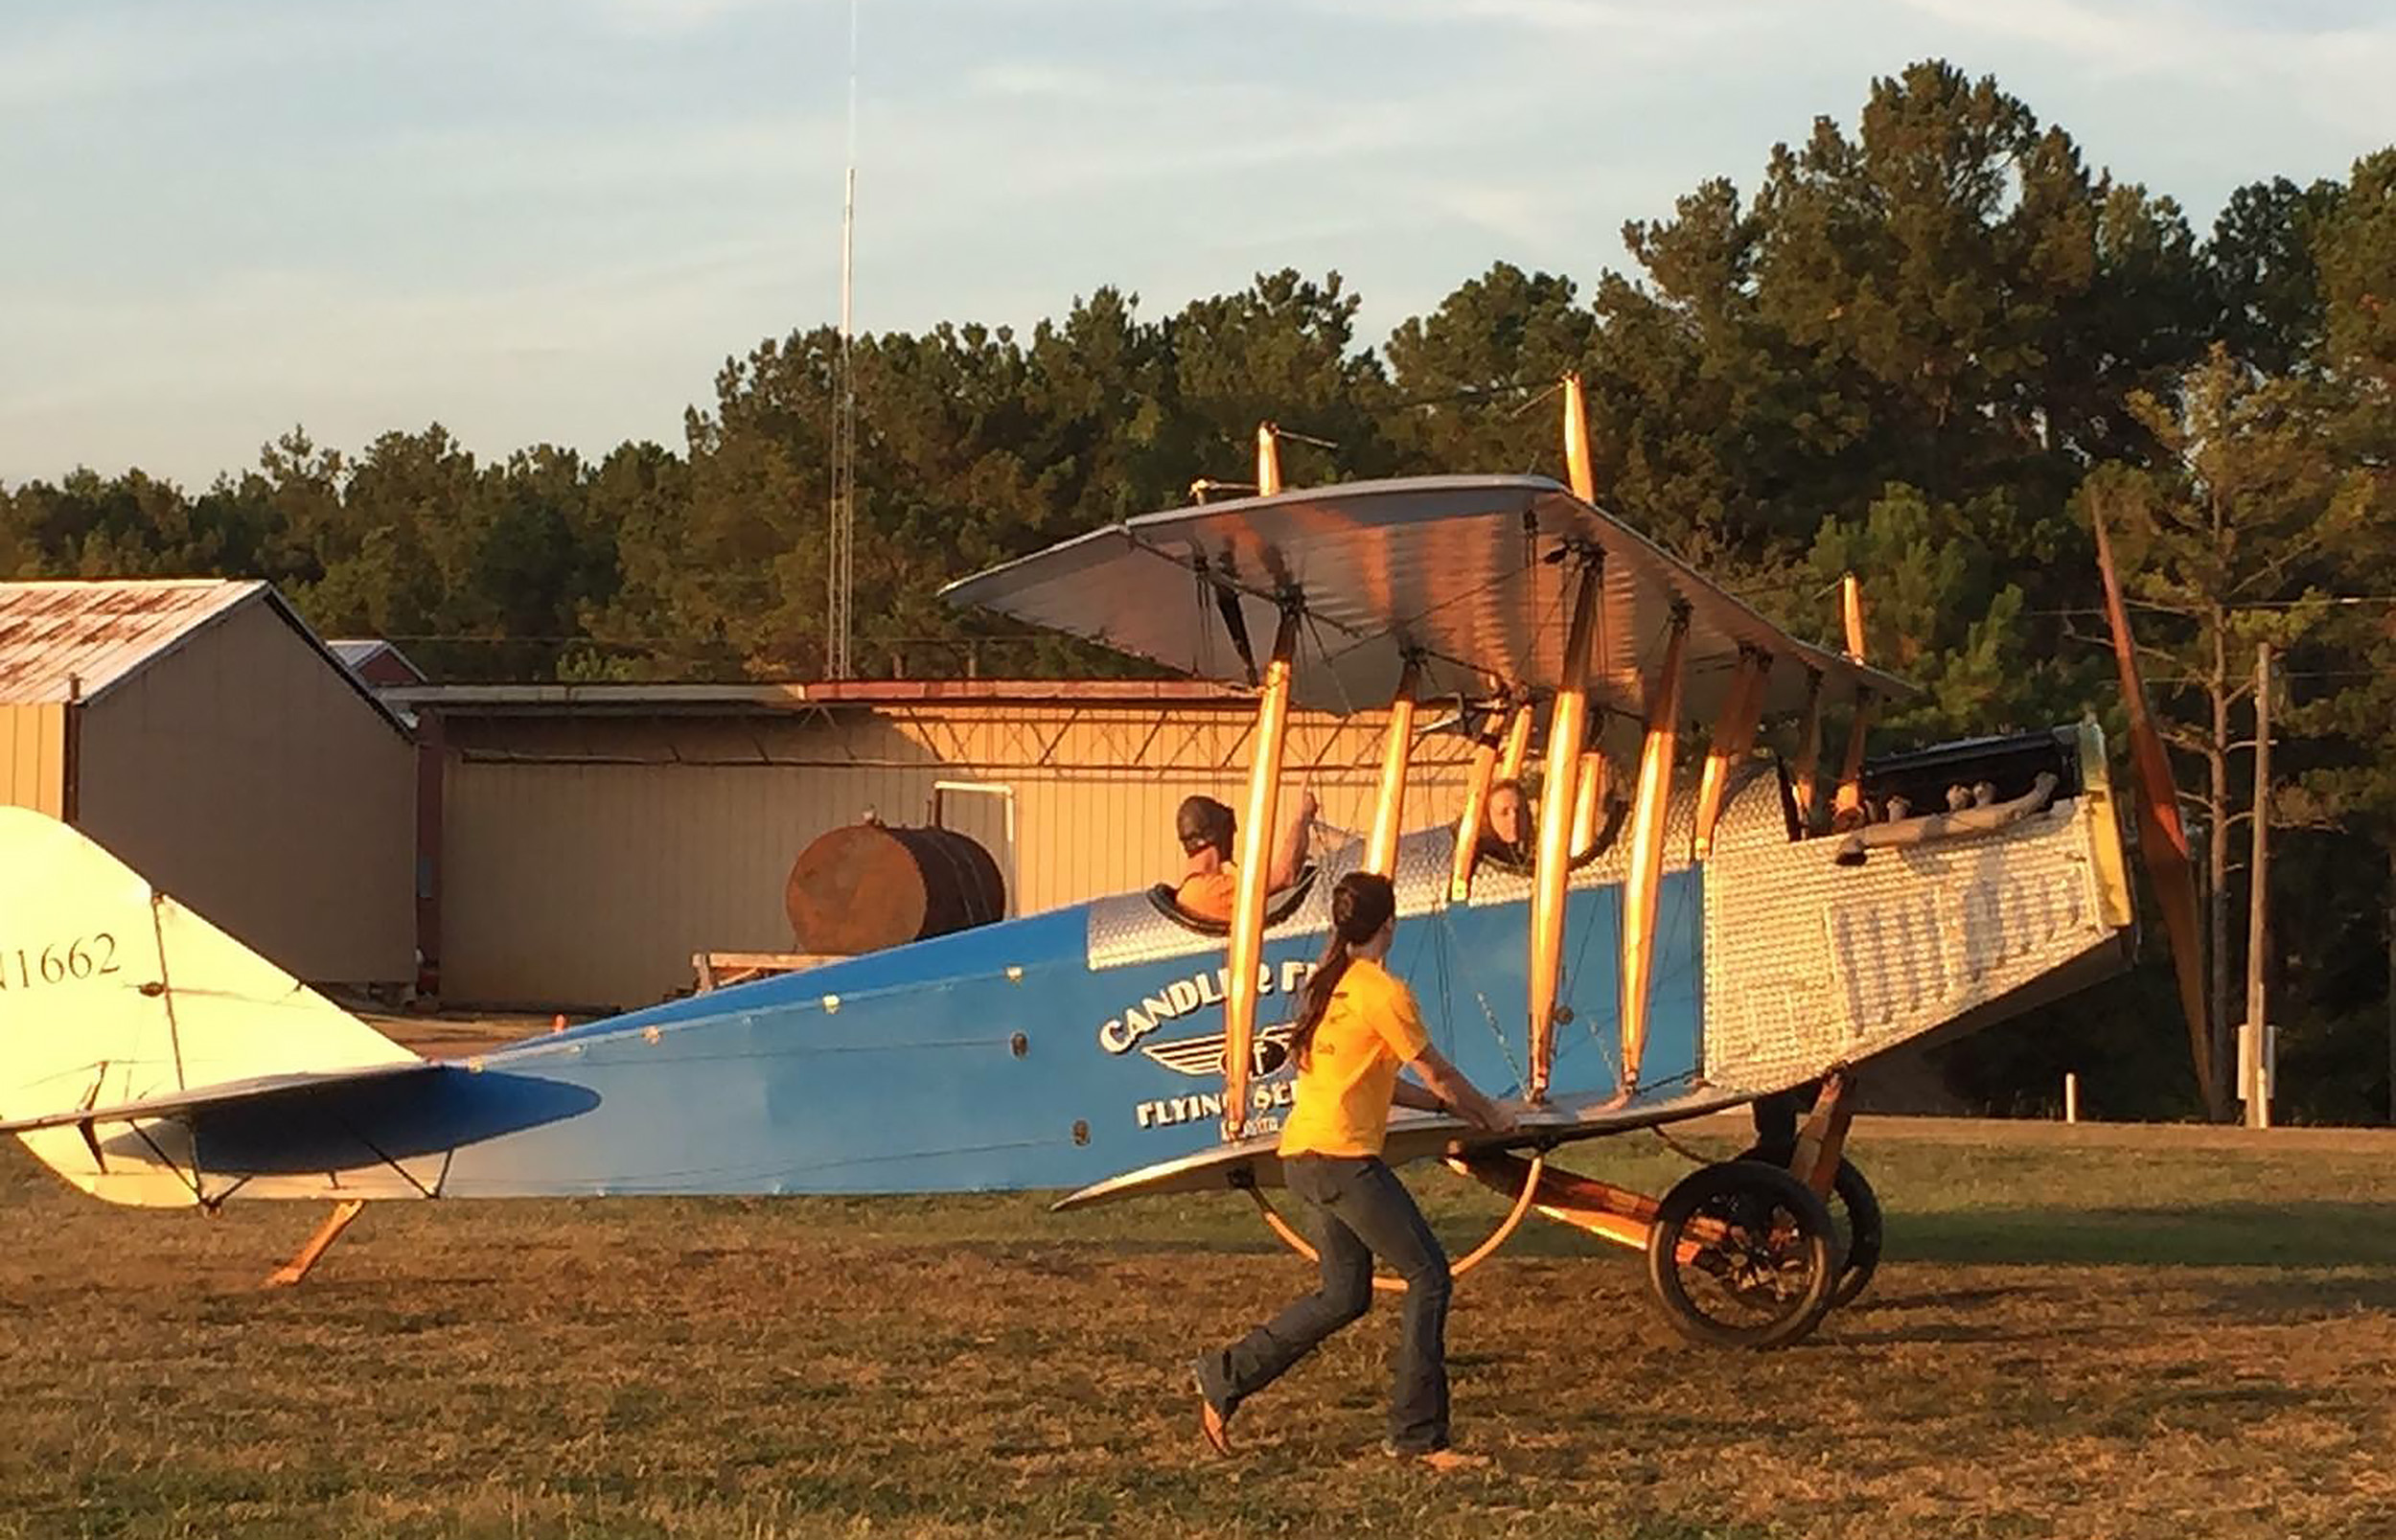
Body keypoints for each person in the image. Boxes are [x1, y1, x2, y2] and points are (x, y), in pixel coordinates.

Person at [1190, 871, 1518, 1468]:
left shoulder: (1328, 984)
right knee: (1430, 1276)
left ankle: (1223, 1375)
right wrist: (1492, 1114)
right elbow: (1435, 1071)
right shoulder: (1382, 991)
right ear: (1389, 925)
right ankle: (1418, 1437)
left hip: (1304, 1158)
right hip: (1341, 1161)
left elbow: (1383, 1080)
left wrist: (1452, 1110)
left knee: (1345, 1295)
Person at [1173, 787, 1317, 923]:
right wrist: (1302, 818)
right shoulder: (1206, 892)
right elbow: (1285, 875)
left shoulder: (1197, 889)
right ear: (1215, 834)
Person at [1473, 777, 1532, 867]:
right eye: (1504, 813)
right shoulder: (1478, 863)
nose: (1513, 819)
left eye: (1518, 811)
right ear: (1487, 818)